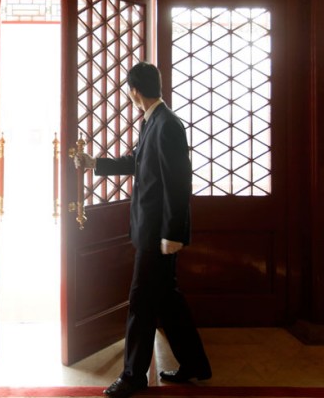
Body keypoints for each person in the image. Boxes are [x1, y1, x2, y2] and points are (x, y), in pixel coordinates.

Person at [75, 62, 211, 398]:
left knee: (140, 302)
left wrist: (172, 233)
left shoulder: (167, 125)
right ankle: (195, 364)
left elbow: (178, 184)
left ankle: (134, 376)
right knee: (168, 301)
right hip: (152, 231)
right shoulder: (153, 121)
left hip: (159, 235)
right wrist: (96, 164)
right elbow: (136, 161)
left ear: (134, 91)